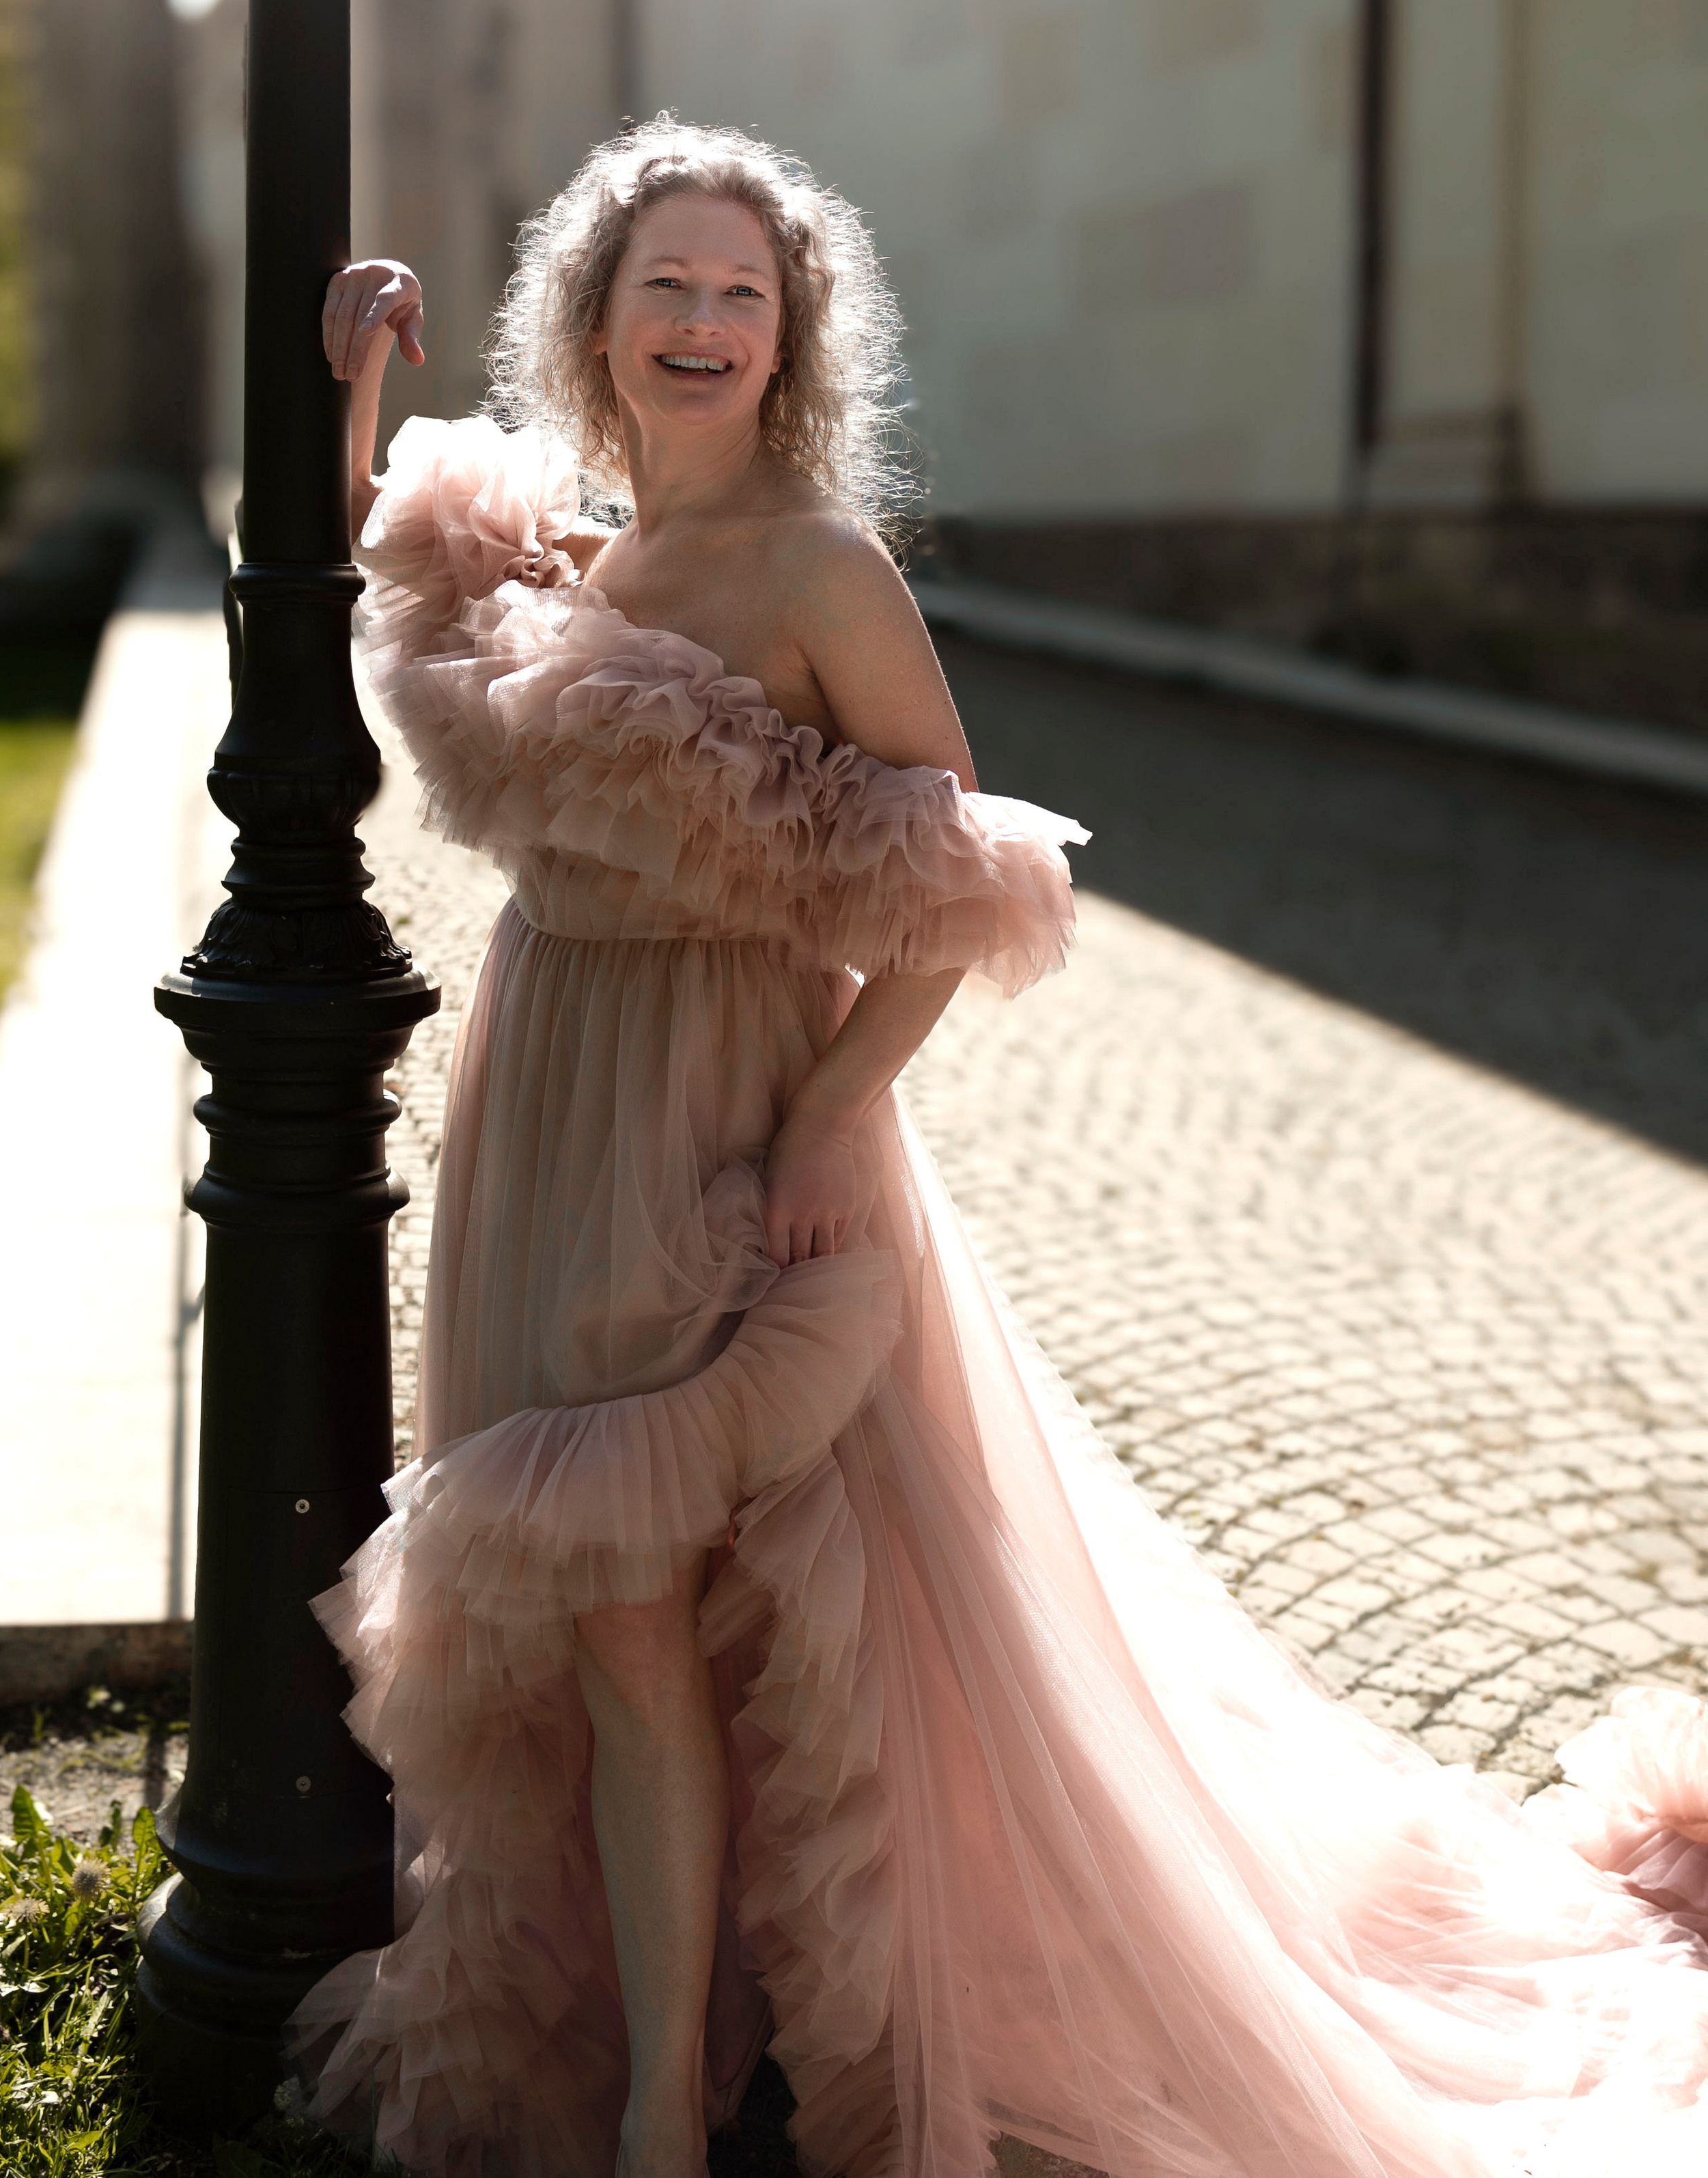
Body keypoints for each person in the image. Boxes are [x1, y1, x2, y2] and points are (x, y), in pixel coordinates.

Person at [290, 117, 1708, 2178]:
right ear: (595, 322)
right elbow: (391, 599)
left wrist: (830, 1104)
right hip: (546, 1102)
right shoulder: (591, 550)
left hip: (729, 1134)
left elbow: (974, 881)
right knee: (607, 1622)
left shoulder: (818, 568)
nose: (703, 324)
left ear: (791, 344)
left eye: (742, 297)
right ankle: (667, 2074)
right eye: (665, 287)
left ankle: (660, 2119)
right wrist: (354, 401)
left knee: (690, 1611)